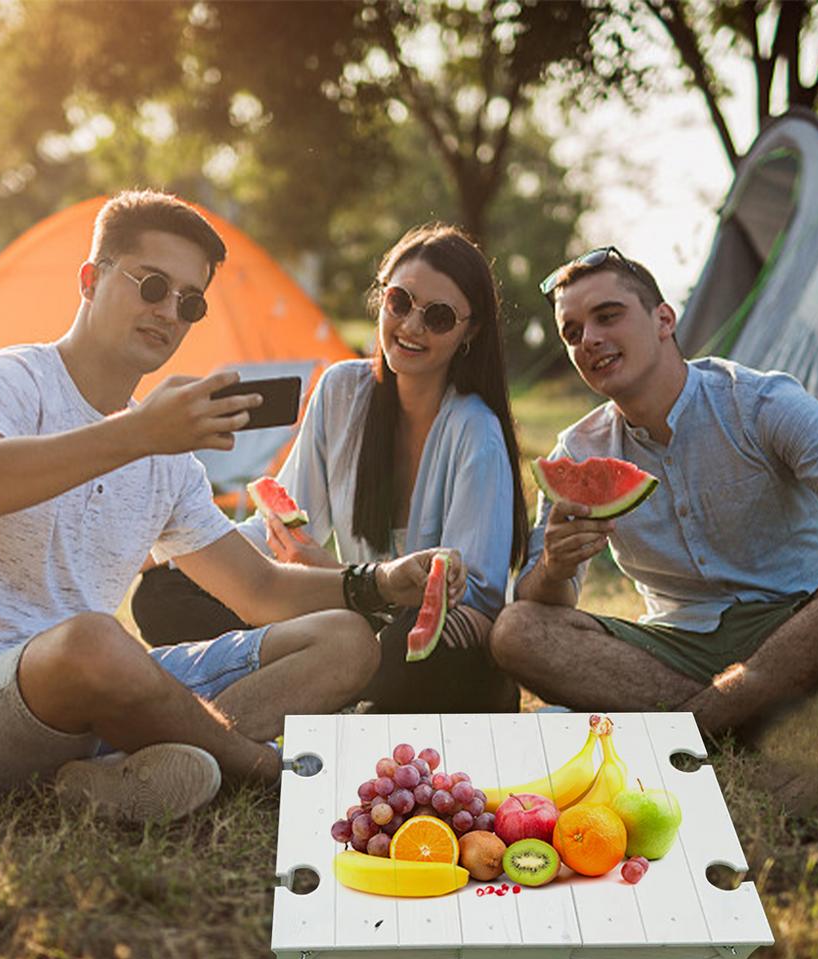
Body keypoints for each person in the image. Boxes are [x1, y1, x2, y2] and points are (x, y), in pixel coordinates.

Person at [0, 191, 464, 822]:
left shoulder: (166, 453)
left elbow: (258, 587)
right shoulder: (11, 380)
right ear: (90, 281)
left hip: (101, 699)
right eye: (152, 285)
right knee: (94, 643)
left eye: (190, 301)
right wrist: (138, 434)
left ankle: (116, 771)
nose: (169, 313)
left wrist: (377, 583)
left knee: (344, 640)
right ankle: (259, 768)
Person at [489, 247, 818, 736]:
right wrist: (555, 567)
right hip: (673, 648)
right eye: (572, 333)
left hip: (798, 624)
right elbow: (537, 598)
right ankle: (764, 716)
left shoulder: (759, 401)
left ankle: (699, 722)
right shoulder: (578, 449)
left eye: (608, 316)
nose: (590, 339)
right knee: (516, 630)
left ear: (664, 320)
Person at [131, 222, 528, 713]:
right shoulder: (341, 390)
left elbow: (475, 603)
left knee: (414, 643)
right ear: (381, 297)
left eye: (439, 317)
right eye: (400, 302)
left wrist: (346, 576)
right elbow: (285, 526)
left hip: (428, 650)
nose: (410, 327)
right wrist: (189, 550)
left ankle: (294, 700)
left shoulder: (476, 431)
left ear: (470, 330)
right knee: (163, 594)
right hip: (349, 618)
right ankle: (331, 696)